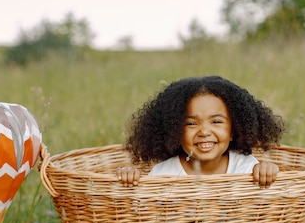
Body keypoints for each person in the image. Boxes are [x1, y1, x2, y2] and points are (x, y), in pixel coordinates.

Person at [116, 76, 284, 188]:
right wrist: (131, 180)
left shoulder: (246, 167)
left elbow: (264, 204)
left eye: (216, 121)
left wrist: (267, 170)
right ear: (175, 131)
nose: (204, 131)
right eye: (191, 123)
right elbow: (143, 214)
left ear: (234, 130)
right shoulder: (163, 174)